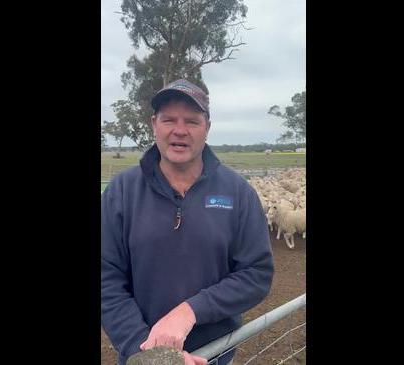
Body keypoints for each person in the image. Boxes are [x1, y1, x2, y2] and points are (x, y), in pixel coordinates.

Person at [101, 79, 274, 365]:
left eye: (192, 121)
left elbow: (256, 273)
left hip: (214, 355)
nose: (179, 130)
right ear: (153, 123)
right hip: (141, 355)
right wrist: (144, 351)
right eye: (169, 119)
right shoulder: (121, 192)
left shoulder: (238, 192)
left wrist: (191, 310)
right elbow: (106, 278)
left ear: (207, 127)